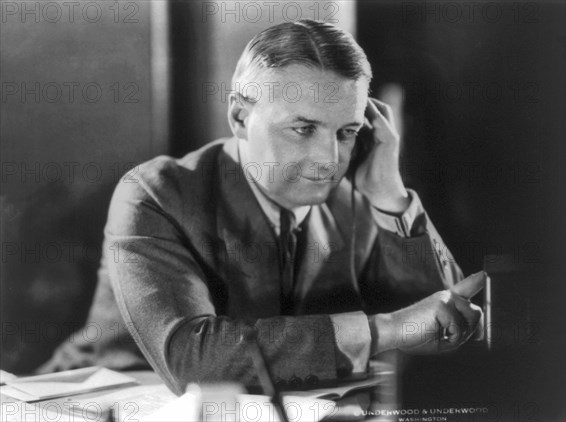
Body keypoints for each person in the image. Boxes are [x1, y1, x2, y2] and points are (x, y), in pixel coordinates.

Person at [39, 19, 484, 395]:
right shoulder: (157, 194)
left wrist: (392, 197)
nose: (329, 159)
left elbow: (449, 324)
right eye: (304, 128)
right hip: (86, 405)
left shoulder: (356, 202)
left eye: (346, 131)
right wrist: (384, 329)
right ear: (239, 118)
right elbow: (193, 361)